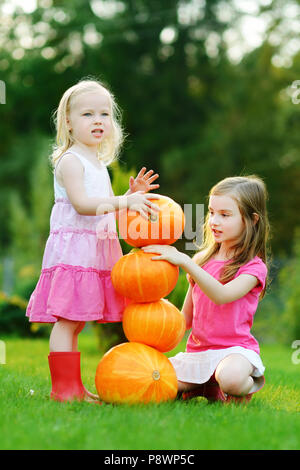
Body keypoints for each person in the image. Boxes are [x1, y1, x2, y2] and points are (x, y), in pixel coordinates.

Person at [26, 78, 160, 403]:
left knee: (76, 323)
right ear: (68, 122)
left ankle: (73, 388)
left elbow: (103, 209)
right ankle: (63, 389)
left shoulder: (97, 163)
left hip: (93, 249)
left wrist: (129, 195)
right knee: (68, 321)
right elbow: (84, 206)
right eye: (87, 114)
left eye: (104, 114)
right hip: (74, 251)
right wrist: (124, 202)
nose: (98, 120)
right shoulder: (70, 160)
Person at [142, 175, 270, 404]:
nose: (214, 221)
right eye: (212, 212)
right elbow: (186, 319)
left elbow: (221, 296)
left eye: (225, 215)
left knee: (230, 378)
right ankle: (205, 386)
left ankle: (243, 386)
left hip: (235, 354)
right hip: (198, 355)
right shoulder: (202, 260)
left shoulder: (253, 267)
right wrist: (153, 339)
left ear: (252, 220)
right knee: (151, 380)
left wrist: (187, 262)